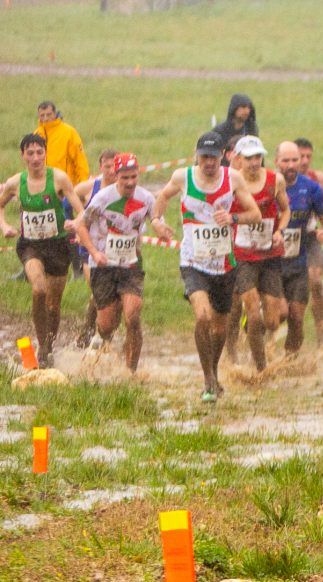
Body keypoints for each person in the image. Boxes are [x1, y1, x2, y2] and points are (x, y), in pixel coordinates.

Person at [151, 132, 242, 403]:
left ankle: (213, 370)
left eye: (213, 157)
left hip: (224, 263)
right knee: (202, 317)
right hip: (193, 261)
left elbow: (254, 214)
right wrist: (156, 220)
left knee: (219, 328)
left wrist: (233, 216)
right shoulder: (183, 177)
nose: (209, 163)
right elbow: (162, 196)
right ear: (196, 156)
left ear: (221, 157)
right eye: (204, 157)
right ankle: (208, 379)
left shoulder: (232, 179)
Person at [2, 134, 77, 368]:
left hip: (58, 245)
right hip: (30, 245)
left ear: (45, 153)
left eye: (39, 152)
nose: (36, 157)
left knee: (54, 305)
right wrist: (4, 226)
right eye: (30, 153)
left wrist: (75, 222)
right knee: (38, 289)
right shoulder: (16, 182)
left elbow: (81, 209)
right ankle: (40, 345)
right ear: (23, 155)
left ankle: (47, 347)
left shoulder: (59, 178)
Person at [72, 153, 150, 374]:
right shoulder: (102, 198)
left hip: (131, 265)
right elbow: (81, 226)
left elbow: (156, 216)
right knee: (107, 324)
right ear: (116, 176)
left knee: (132, 315)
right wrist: (95, 253)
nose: (130, 182)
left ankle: (130, 371)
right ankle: (98, 340)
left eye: (134, 176)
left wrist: (160, 226)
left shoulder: (145, 197)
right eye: (125, 177)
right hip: (103, 265)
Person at [223, 136, 290, 376]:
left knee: (272, 319)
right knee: (252, 311)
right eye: (249, 158)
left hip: (269, 253)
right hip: (242, 256)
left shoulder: (275, 180)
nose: (253, 162)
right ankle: (260, 368)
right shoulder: (229, 182)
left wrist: (280, 231)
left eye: (257, 157)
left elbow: (286, 210)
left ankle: (251, 329)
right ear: (238, 158)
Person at [276, 138, 323, 357]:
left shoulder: (312, 187)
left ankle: (291, 359)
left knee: (297, 314)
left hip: (303, 248)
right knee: (277, 315)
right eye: (286, 161)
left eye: (295, 160)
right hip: (272, 256)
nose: (291, 165)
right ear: (276, 161)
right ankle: (258, 337)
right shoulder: (267, 184)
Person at [34, 101, 88, 189]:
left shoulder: (69, 132)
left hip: (66, 187)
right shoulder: (36, 134)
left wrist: (83, 185)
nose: (46, 118)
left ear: (55, 114)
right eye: (42, 115)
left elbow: (80, 161)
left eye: (49, 114)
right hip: (43, 187)